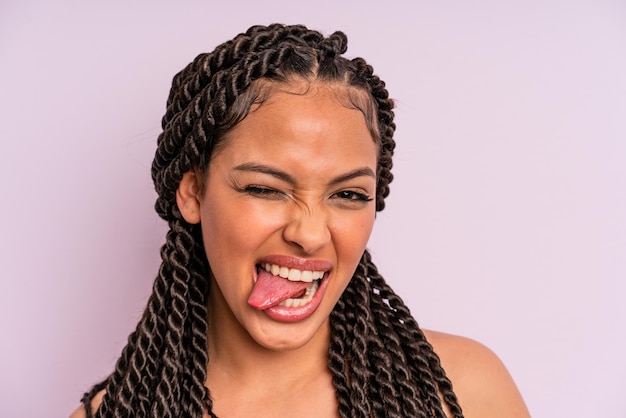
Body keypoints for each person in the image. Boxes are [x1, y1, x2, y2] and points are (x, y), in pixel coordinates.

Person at [71, 23, 530, 418]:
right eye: (265, 189)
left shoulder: (464, 389)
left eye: (348, 195)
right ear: (192, 193)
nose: (309, 235)